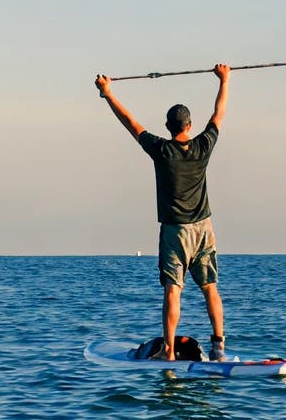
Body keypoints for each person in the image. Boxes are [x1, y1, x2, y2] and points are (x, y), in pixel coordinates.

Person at [94, 64, 230, 361]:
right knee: (210, 288)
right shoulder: (203, 146)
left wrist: (107, 93)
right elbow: (218, 114)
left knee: (173, 290)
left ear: (168, 127)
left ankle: (168, 352)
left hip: (176, 231)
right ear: (189, 125)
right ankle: (218, 348)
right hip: (205, 229)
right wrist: (224, 79)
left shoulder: (161, 150)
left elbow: (130, 122)